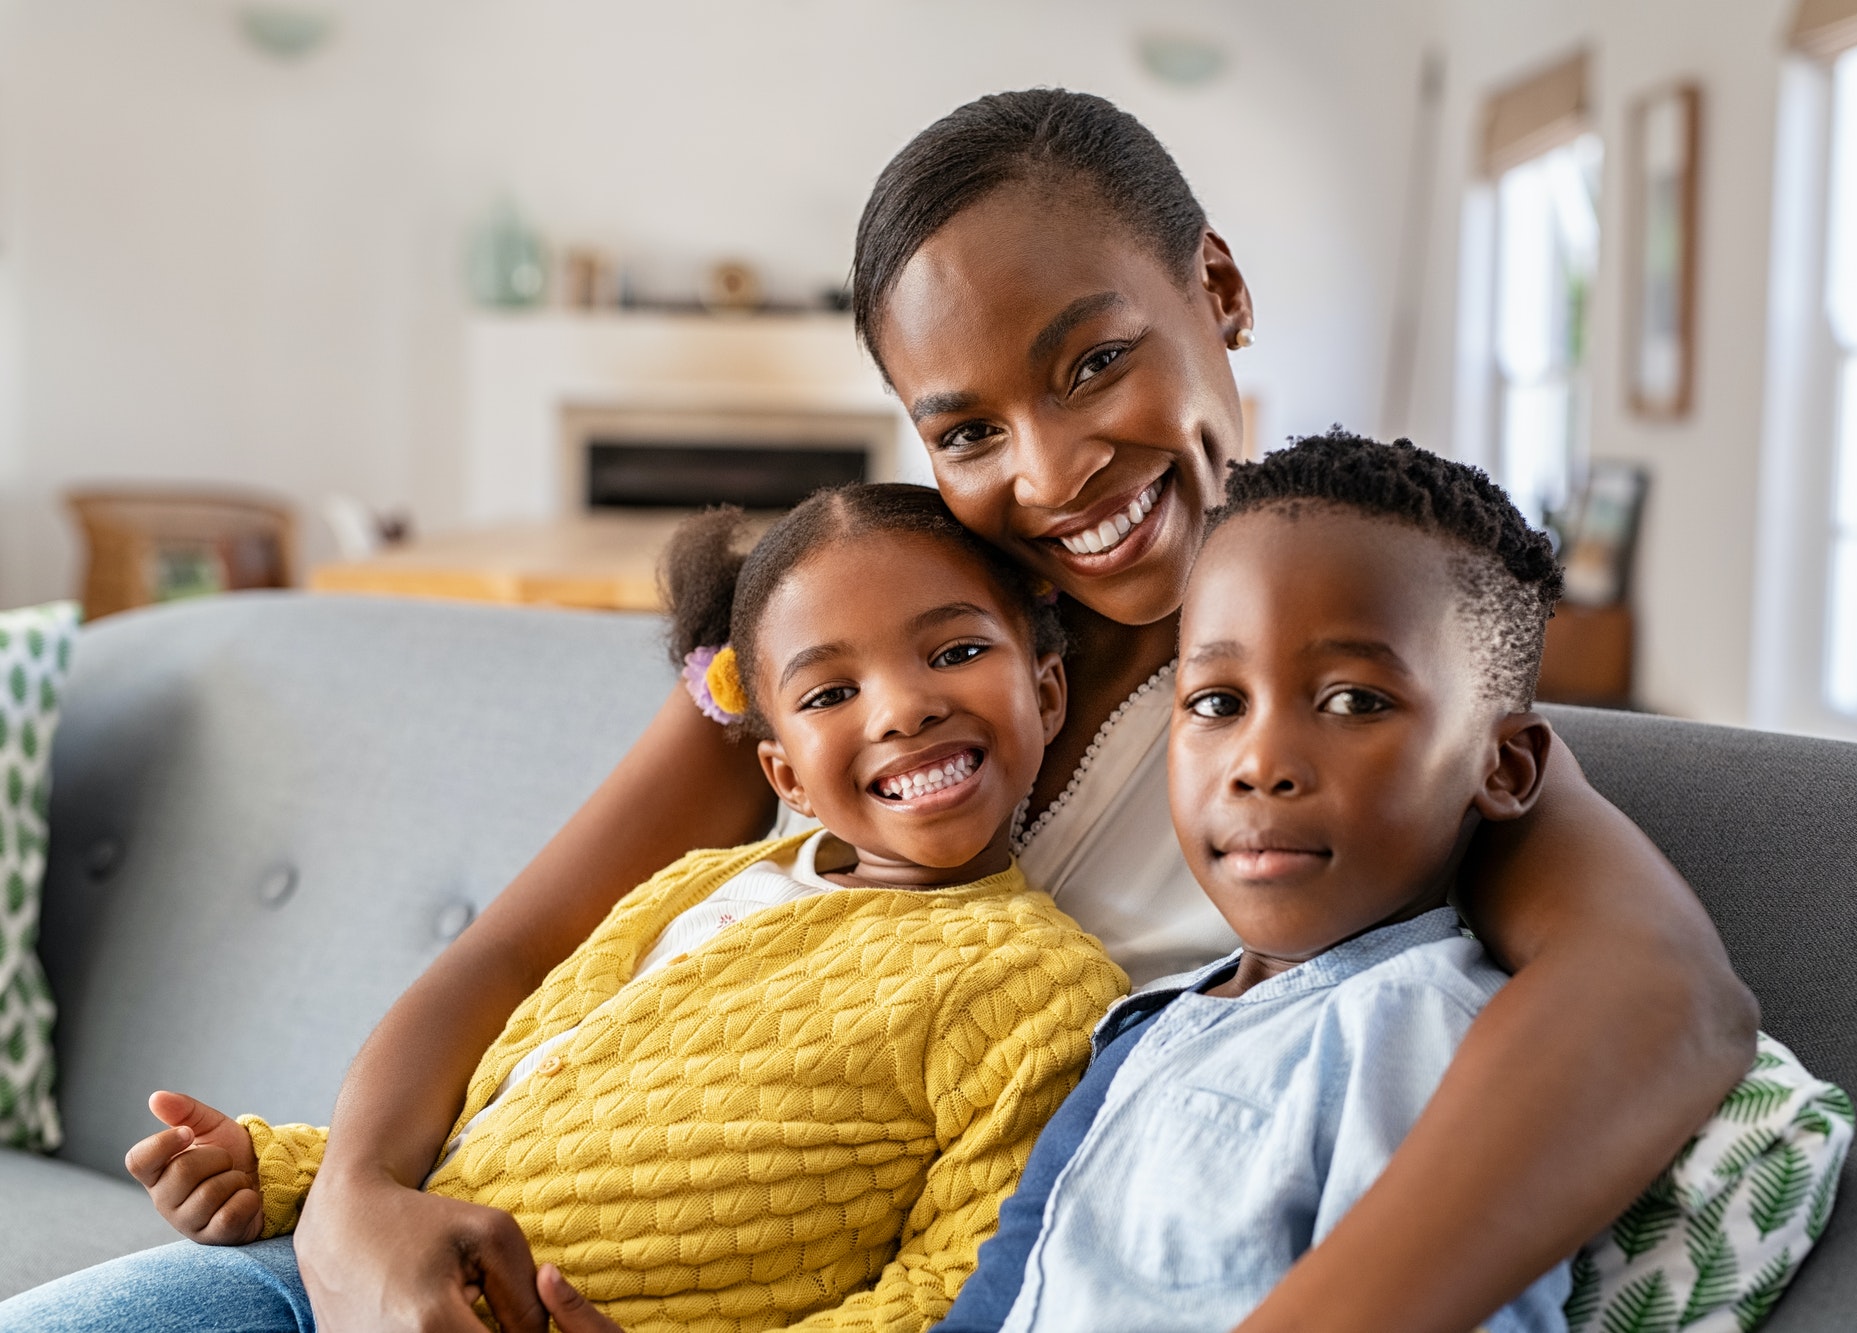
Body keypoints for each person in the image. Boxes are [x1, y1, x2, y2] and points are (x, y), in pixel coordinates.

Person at [294, 91, 1760, 1333]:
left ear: (1222, 292)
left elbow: (1665, 1000)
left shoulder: (1364, 684)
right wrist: (352, 1207)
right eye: (970, 430)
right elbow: (524, 939)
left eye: (1097, 361)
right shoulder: (877, 631)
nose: (1054, 473)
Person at [0, 485, 1127, 1332]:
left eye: (956, 650)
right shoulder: (703, 884)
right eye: (833, 691)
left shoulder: (1040, 985)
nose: (903, 707)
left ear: (1045, 683)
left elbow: (950, 1292)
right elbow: (516, 1111)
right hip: (312, 1289)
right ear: (779, 772)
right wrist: (287, 1168)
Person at [942, 431, 1574, 1333]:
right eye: (1217, 703)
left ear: (1503, 766)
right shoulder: (1154, 1015)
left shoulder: (1415, 1027)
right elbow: (1007, 1282)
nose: (1260, 762)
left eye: (1353, 701)